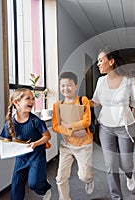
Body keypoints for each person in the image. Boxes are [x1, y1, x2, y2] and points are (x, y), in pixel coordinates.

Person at [90, 47, 135, 200]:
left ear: (111, 62)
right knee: (110, 164)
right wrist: (77, 102)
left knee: (126, 164)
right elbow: (95, 102)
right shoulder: (100, 81)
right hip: (105, 127)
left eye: (101, 60)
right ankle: (116, 197)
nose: (98, 64)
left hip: (125, 126)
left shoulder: (128, 81)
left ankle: (129, 175)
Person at [0, 88, 52, 200]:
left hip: (36, 155)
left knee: (34, 184)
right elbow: (7, 140)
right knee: (16, 186)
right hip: (21, 157)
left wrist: (35, 144)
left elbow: (47, 136)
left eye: (33, 99)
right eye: (28, 99)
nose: (32, 102)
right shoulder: (10, 123)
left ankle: (44, 187)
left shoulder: (35, 121)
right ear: (16, 102)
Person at [52, 71, 94, 200]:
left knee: (84, 176)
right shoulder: (57, 105)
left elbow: (87, 121)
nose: (66, 88)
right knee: (60, 178)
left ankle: (89, 180)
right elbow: (55, 126)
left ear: (76, 86)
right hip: (66, 146)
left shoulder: (83, 100)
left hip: (84, 145)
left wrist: (69, 125)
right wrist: (73, 132)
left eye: (69, 85)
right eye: (62, 86)